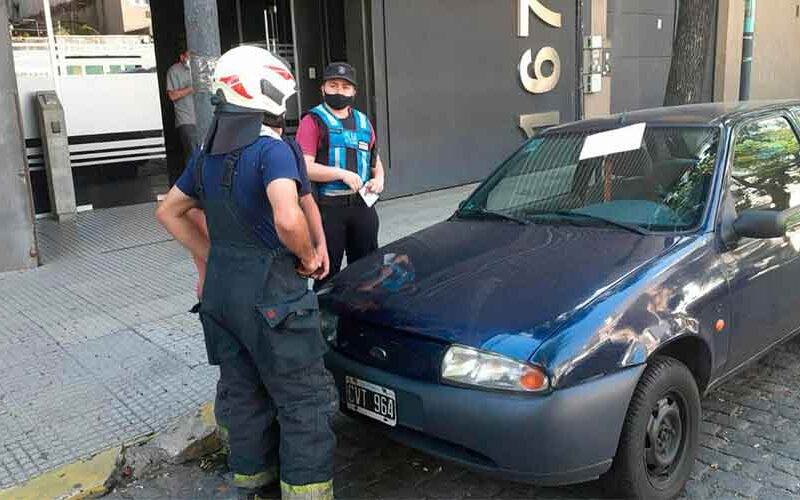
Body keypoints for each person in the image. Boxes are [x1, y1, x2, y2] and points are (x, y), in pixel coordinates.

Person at [156, 46, 337, 499]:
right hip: (273, 295)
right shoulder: (270, 150)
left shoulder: (207, 151)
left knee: (243, 395)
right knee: (304, 401)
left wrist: (213, 256)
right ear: (263, 88)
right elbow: (288, 217)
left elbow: (169, 212)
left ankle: (252, 485)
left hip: (222, 295)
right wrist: (309, 256)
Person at [295, 62, 385, 288]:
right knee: (327, 272)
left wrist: (379, 180)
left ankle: (362, 317)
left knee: (368, 271)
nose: (339, 91)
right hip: (327, 209)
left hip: (363, 206)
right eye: (333, 85)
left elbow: (375, 161)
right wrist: (341, 173)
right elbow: (303, 167)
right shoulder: (312, 121)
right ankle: (327, 321)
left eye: (345, 87)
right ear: (323, 89)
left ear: (354, 92)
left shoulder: (364, 122)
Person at [166, 46, 197, 186]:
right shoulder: (174, 71)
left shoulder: (198, 70)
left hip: (201, 118)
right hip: (186, 119)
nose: (191, 60)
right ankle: (191, 186)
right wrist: (191, 88)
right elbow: (172, 96)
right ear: (182, 56)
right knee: (192, 153)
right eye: (189, 56)